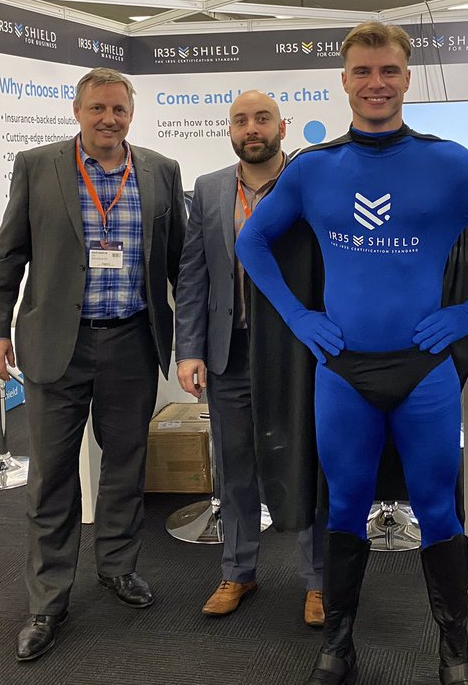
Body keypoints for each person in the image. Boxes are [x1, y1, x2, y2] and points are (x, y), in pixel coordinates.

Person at [235, 22, 468, 685]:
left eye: (388, 71)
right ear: (344, 81)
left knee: (437, 509)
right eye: (362, 71)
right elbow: (251, 243)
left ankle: (454, 651)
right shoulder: (314, 169)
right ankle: (338, 646)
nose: (375, 83)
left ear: (406, 79)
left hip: (424, 370)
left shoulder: (448, 163)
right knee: (344, 507)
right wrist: (298, 316)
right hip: (342, 372)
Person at [0, 67, 185, 663]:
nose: (108, 119)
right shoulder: (38, 166)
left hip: (131, 341)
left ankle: (117, 566)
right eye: (97, 108)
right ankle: (48, 600)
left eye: (118, 109)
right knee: (52, 475)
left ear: (131, 114)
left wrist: (194, 335)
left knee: (125, 463)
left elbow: (180, 263)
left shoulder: (160, 171)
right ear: (77, 111)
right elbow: (8, 253)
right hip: (55, 346)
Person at [175, 90, 326, 626]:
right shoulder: (210, 188)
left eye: (262, 119)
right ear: (230, 130)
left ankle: (318, 580)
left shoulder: (308, 182)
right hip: (230, 351)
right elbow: (194, 274)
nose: (251, 128)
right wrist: (189, 349)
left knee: (305, 462)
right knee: (235, 468)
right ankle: (238, 571)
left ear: (282, 127)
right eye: (241, 121)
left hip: (295, 352)